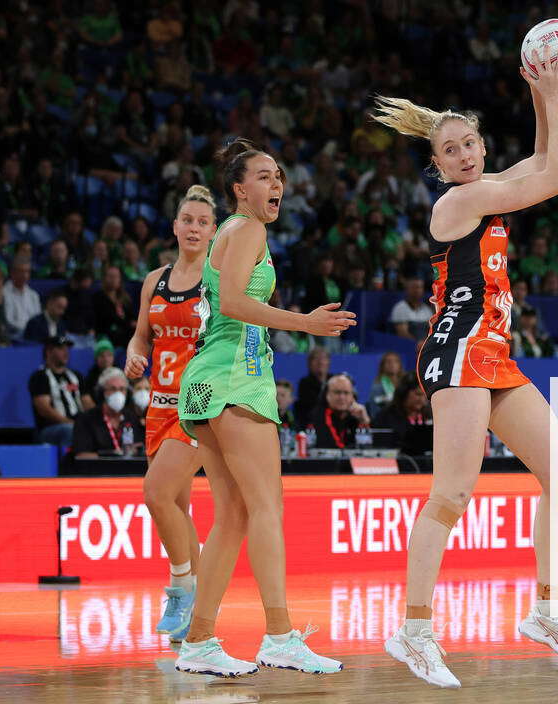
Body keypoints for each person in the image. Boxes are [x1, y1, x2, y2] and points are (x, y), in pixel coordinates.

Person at [372, 47, 558, 689]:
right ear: (436, 167)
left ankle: (548, 611)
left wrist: (542, 94)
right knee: (452, 494)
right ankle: (414, 632)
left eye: (471, 143)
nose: (465, 155)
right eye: (451, 151)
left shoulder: (486, 192)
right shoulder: (458, 205)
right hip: (459, 349)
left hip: (493, 352)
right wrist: (552, 95)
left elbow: (550, 163)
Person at [175, 138, 354, 677]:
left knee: (232, 517)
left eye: (278, 177)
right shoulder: (246, 228)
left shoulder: (231, 233)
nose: (275, 185)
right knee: (265, 509)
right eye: (263, 177)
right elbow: (232, 303)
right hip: (234, 378)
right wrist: (305, 323)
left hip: (210, 380)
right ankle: (278, 635)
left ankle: (199, 640)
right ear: (238, 189)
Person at [124, 185, 217, 643]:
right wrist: (133, 355)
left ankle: (181, 588)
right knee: (175, 508)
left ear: (214, 231)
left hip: (198, 401)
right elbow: (141, 336)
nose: (195, 227)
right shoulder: (154, 280)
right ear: (176, 226)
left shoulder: (216, 282)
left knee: (156, 494)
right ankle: (196, 624)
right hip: (157, 406)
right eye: (188, 220)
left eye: (203, 221)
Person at [28, 335, 93, 446]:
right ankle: (67, 462)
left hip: (76, 424)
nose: (66, 352)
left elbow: (87, 403)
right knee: (70, 430)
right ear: (48, 352)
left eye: (67, 348)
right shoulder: (40, 376)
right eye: (60, 348)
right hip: (51, 429)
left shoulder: (76, 376)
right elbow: (44, 409)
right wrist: (71, 423)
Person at [72, 368, 144, 458]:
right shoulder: (86, 419)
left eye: (122, 389)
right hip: (97, 470)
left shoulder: (132, 418)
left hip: (128, 470)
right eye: (113, 389)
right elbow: (81, 455)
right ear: (102, 392)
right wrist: (113, 455)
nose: (118, 394)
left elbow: (139, 449)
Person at [373, 378, 433, 456]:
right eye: (418, 394)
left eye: (424, 395)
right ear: (403, 393)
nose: (422, 399)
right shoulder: (385, 416)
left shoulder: (430, 414)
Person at [308, 374, 370, 449]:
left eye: (346, 393)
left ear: (353, 396)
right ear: (327, 395)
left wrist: (364, 422)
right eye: (337, 392)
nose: (342, 397)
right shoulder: (319, 416)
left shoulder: (355, 415)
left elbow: (374, 447)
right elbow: (331, 446)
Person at [2, 256, 40, 341]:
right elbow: (8, 321)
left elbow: (37, 319)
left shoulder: (33, 295)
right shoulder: (3, 293)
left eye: (27, 272)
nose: (25, 275)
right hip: (13, 335)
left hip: (32, 334)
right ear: (12, 272)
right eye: (21, 271)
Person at [294, 347, 331, 427]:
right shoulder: (305, 383)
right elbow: (310, 408)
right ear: (309, 364)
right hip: (311, 425)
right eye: (316, 359)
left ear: (328, 362)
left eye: (323, 358)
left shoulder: (334, 381)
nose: (320, 362)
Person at [389, 276, 433, 341]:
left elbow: (431, 331)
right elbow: (402, 333)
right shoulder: (400, 308)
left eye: (420, 287)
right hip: (407, 346)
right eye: (414, 287)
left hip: (425, 346)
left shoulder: (427, 309)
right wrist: (417, 344)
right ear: (407, 290)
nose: (417, 290)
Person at [368, 351, 406, 416]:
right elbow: (374, 411)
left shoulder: (405, 385)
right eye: (388, 362)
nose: (392, 364)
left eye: (395, 361)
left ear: (400, 365)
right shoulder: (377, 388)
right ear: (382, 366)